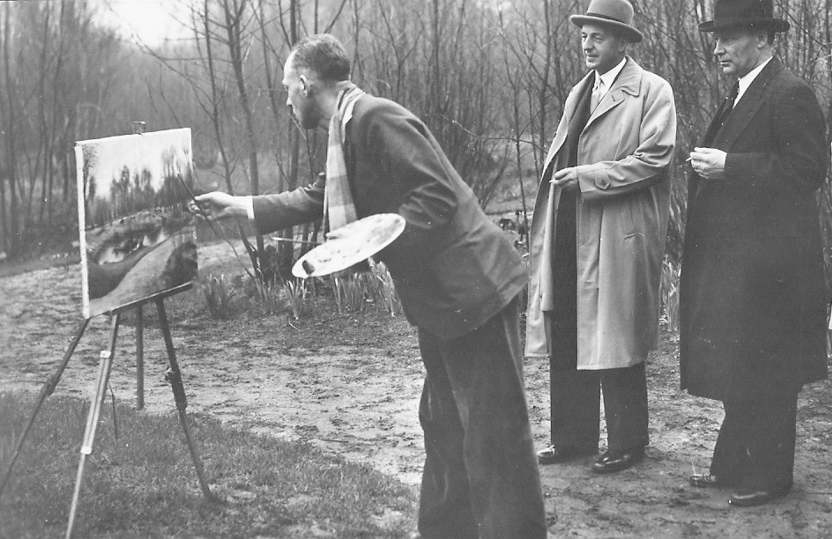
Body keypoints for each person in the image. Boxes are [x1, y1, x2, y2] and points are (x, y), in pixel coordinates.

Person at [195, 34, 547, 539]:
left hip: (474, 293)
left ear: (304, 82)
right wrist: (242, 207)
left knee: (494, 442)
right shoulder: (346, 130)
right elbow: (319, 196)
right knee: (445, 431)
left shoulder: (375, 117)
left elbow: (437, 197)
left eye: (286, 90)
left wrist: (369, 239)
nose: (287, 101)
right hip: (443, 304)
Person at [680, 0, 828, 507]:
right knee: (744, 363)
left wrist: (730, 166)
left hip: (776, 269)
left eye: (731, 36)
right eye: (716, 36)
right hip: (745, 264)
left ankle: (770, 478)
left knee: (768, 371)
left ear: (764, 38)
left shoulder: (790, 92)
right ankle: (732, 466)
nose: (718, 46)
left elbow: (807, 171)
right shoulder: (743, 91)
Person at [525, 0, 676, 474]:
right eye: (584, 35)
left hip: (617, 236)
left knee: (616, 335)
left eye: (599, 36)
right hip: (571, 230)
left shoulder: (652, 91)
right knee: (569, 329)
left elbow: (656, 159)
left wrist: (590, 177)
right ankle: (573, 438)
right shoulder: (578, 92)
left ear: (623, 42)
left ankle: (629, 443)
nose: (587, 44)